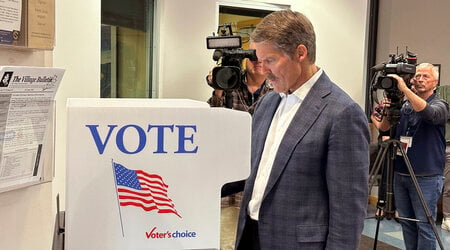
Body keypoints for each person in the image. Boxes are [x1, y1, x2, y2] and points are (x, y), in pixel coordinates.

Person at [234, 10, 370, 249]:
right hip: (251, 236)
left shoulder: (342, 114)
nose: (263, 70)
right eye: (259, 60)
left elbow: (348, 211)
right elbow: (257, 171)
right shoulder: (267, 103)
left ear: (300, 53)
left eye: (270, 60)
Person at [372, 63, 448, 249]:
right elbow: (384, 128)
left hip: (426, 176)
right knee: (407, 222)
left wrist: (405, 89)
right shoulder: (405, 105)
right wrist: (388, 111)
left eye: (425, 77)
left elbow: (429, 114)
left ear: (435, 83)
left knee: (424, 225)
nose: (420, 79)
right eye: (418, 76)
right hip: (401, 173)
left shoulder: (440, 105)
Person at [207, 43, 272, 205]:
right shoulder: (229, 83)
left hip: (261, 189)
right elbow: (210, 125)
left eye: (262, 57)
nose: (257, 60)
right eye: (253, 56)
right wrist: (219, 89)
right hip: (228, 188)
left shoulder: (278, 92)